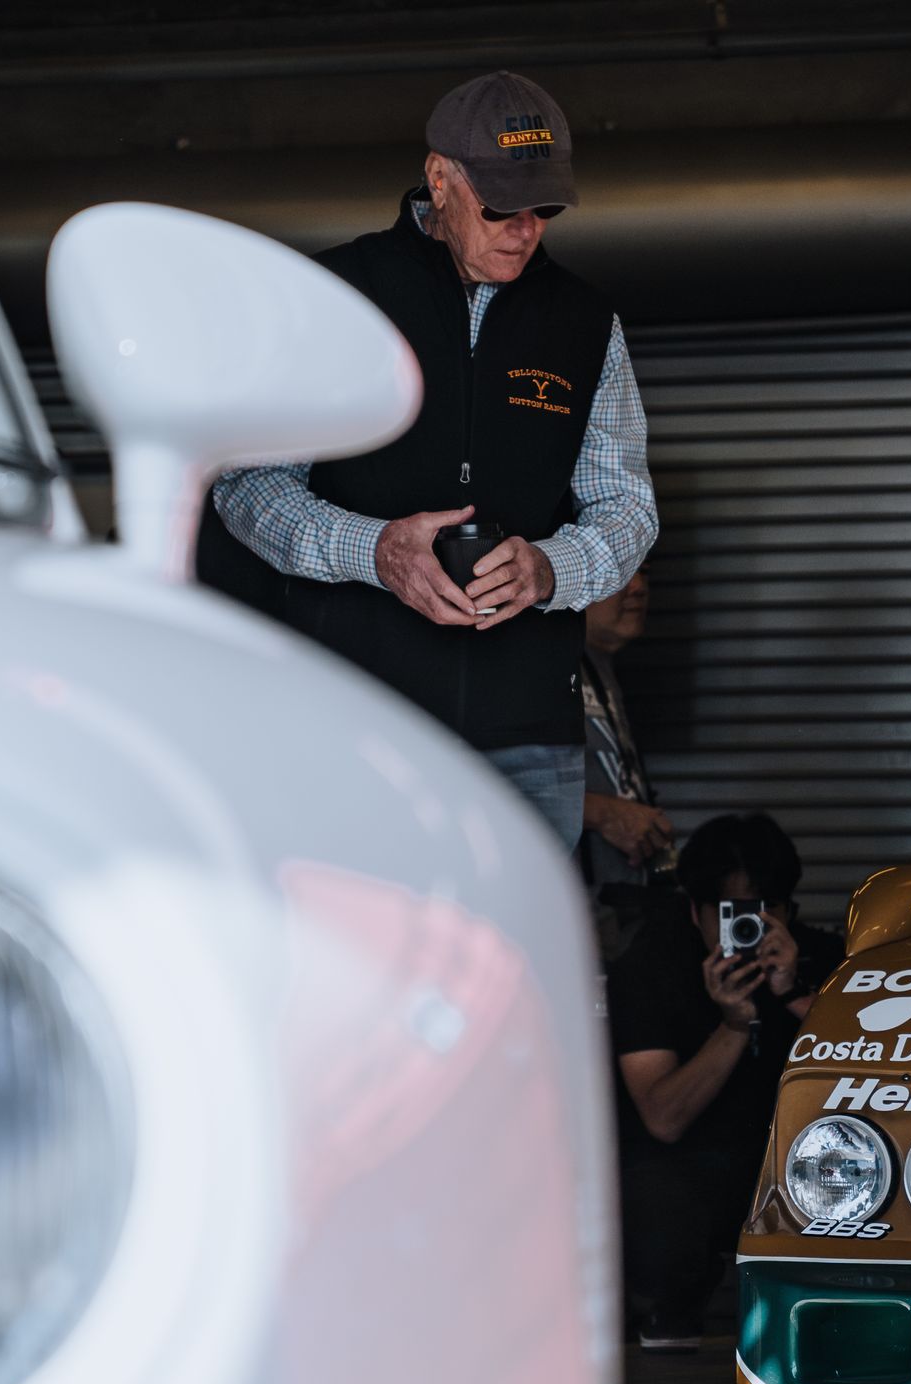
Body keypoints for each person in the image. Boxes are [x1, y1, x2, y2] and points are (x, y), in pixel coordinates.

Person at [209, 71, 658, 854]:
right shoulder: (337, 298)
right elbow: (248, 488)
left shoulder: (587, 325)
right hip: (355, 724)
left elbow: (628, 506)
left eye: (544, 208)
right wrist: (376, 552)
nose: (524, 230)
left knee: (520, 972)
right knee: (356, 959)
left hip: (530, 738)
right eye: (499, 207)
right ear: (439, 179)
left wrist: (552, 569)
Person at [607, 813, 818, 1349]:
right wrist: (734, 1023)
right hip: (688, 1164)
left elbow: (877, 1067)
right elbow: (663, 1118)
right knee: (655, 1198)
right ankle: (667, 1318)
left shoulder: (815, 958)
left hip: (793, 1159)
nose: (752, 928)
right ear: (695, 909)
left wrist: (793, 994)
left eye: (769, 910)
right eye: (734, 914)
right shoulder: (651, 966)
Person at [581, 567, 673, 887]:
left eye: (644, 573)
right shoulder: (540, 667)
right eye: (620, 572)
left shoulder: (601, 665)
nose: (638, 587)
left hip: (617, 910)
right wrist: (603, 813)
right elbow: (498, 784)